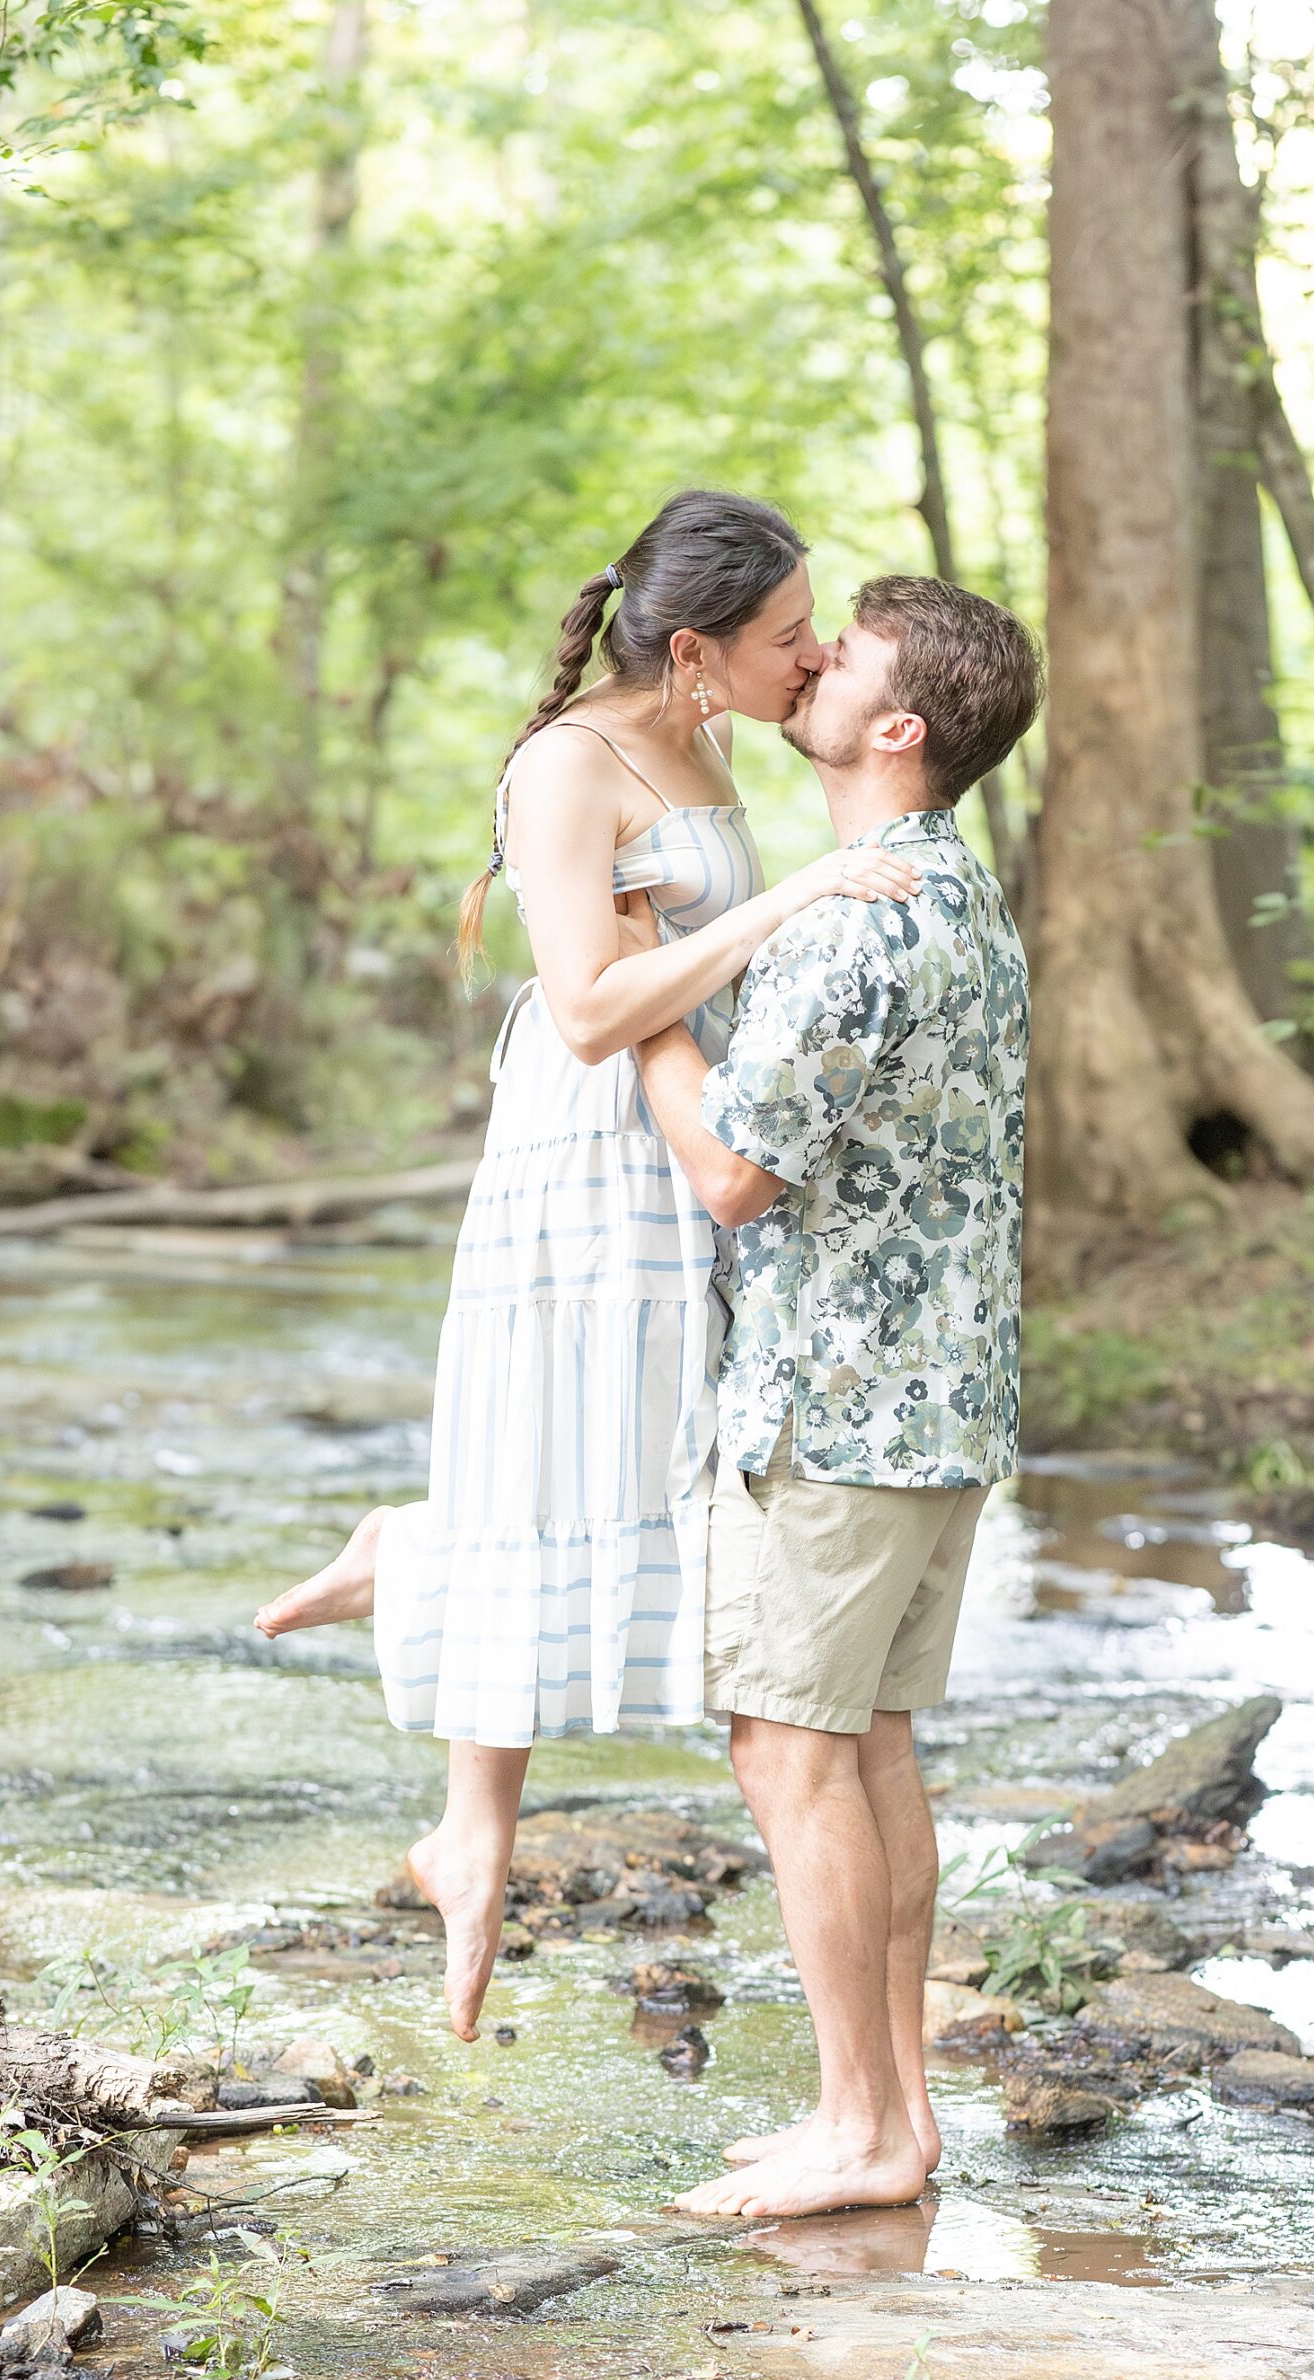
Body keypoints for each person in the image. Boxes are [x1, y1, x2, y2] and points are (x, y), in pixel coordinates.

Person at [254, 491, 925, 2041]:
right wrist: (794, 897)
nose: (812, 654)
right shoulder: (567, 766)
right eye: (786, 633)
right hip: (587, 1151)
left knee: (637, 1456)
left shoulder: (711, 743)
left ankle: (418, 1575)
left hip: (687, 1135)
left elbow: (679, 966)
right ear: (693, 651)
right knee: (578, 1447)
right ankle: (452, 1736)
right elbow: (583, 1009)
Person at [630, 573, 1042, 2219]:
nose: (808, 662)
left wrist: (647, 1008)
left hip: (838, 1407)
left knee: (789, 1754)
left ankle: (862, 2128)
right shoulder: (962, 892)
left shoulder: (858, 919)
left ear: (898, 727)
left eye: (843, 655)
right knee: (870, 1749)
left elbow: (735, 1173)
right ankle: (894, 2121)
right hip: (942, 1405)